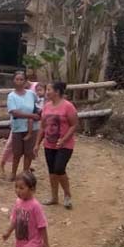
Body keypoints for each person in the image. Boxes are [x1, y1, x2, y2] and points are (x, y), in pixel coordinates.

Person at [1, 172, 49, 247]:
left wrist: (46, 242)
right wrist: (8, 232)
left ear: (32, 189)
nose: (18, 191)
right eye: (16, 187)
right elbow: (15, 220)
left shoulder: (35, 206)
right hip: (22, 239)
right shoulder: (18, 202)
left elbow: (42, 225)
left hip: (34, 241)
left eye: (22, 188)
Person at [34, 81, 79, 209]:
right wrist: (37, 143)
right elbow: (43, 127)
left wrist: (64, 139)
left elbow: (74, 124)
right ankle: (54, 197)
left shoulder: (68, 106)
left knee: (59, 169)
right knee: (52, 172)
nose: (47, 92)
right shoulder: (46, 106)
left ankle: (67, 195)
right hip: (49, 144)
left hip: (65, 145)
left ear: (57, 92)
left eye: (49, 90)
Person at [5, 71, 41, 181]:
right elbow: (14, 112)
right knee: (17, 152)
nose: (19, 82)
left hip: (32, 127)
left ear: (25, 81)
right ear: (13, 81)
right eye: (17, 79)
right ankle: (13, 172)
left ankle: (25, 173)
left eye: (21, 79)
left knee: (28, 152)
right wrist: (31, 115)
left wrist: (38, 113)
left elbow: (37, 105)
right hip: (18, 127)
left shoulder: (31, 94)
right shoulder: (11, 96)